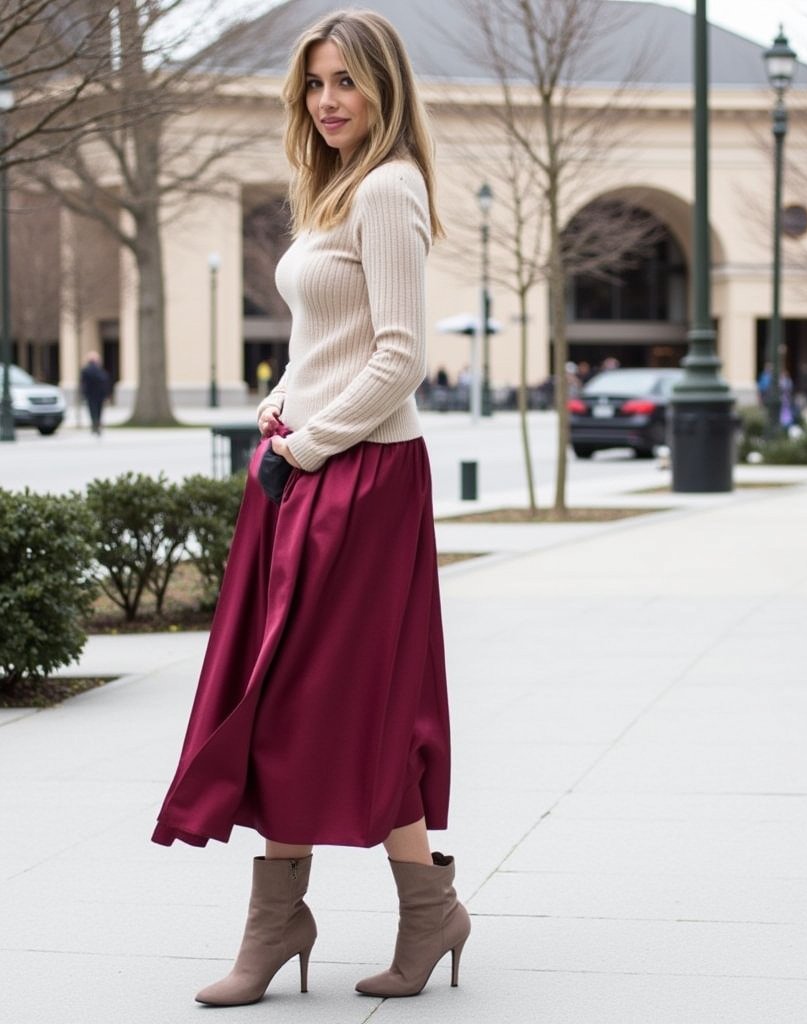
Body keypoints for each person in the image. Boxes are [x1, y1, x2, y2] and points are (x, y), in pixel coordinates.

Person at [151, 9, 468, 1007]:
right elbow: (332, 333)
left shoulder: (389, 187)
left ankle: (383, 915)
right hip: (311, 461)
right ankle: (370, 913)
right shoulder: (333, 185)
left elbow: (401, 352)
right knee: (300, 694)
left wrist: (311, 440)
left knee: (323, 699)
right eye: (315, 85)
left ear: (384, 88)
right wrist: (283, 397)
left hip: (361, 478)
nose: (328, 102)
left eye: (346, 83)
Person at [79, 351, 111, 435]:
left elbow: (83, 384)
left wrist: (83, 394)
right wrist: (106, 394)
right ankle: (97, 424)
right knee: (99, 410)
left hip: (90, 395)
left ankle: (94, 424)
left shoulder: (85, 370)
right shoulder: (100, 370)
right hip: (99, 394)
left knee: (92, 410)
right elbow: (105, 382)